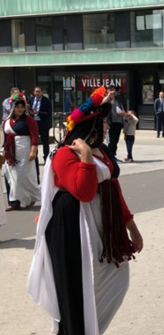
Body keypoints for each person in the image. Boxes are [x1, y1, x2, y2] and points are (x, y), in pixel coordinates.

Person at [28, 86, 143, 335]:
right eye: (102, 123)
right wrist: (87, 158)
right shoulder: (64, 155)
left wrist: (131, 226)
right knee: (80, 287)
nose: (106, 127)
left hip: (101, 222)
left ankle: (91, 329)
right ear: (89, 127)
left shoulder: (103, 151)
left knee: (116, 278)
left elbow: (114, 190)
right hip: (74, 228)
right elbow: (84, 192)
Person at [2, 93, 40, 211]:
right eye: (17, 106)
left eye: (22, 107)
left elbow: (34, 136)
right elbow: (3, 137)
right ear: (12, 107)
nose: (20, 109)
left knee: (22, 177)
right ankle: (14, 202)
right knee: (10, 177)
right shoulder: (6, 121)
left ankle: (31, 197)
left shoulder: (29, 120)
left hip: (25, 151)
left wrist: (33, 151)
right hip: (10, 153)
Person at [28, 87, 53, 162]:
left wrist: (38, 113)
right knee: (34, 141)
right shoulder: (31, 100)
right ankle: (35, 158)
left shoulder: (46, 101)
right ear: (33, 92)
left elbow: (48, 113)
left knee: (45, 141)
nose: (37, 93)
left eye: (39, 91)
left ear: (42, 92)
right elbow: (28, 110)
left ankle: (46, 158)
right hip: (33, 123)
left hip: (43, 124)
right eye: (36, 91)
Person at [106, 85, 126, 160]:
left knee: (115, 140)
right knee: (111, 140)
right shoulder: (107, 99)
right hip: (110, 122)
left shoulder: (118, 99)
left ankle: (113, 155)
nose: (112, 91)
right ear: (107, 91)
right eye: (110, 90)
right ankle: (109, 156)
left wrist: (123, 112)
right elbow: (102, 104)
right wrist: (108, 96)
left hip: (118, 122)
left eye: (113, 90)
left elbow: (124, 110)